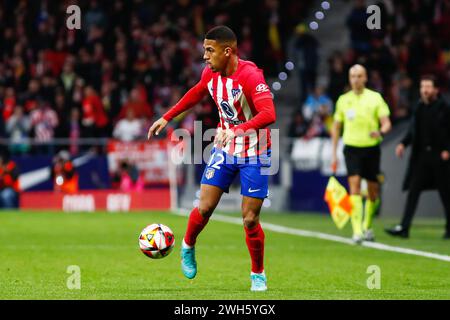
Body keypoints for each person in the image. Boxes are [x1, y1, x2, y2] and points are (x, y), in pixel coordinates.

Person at [147, 26, 276, 291]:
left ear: (227, 51)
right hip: (225, 149)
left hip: (256, 150)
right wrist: (167, 116)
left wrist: (237, 130)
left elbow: (269, 114)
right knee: (204, 207)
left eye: (210, 50)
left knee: (250, 219)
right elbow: (195, 93)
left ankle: (258, 274)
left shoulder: (251, 76)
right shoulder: (210, 74)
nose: (205, 56)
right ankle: (187, 245)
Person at [331, 64, 392, 243]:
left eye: (359, 76)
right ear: (349, 79)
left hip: (371, 148)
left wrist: (381, 132)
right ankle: (357, 230)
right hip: (351, 148)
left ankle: (367, 225)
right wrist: (333, 153)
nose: (356, 79)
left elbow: (386, 123)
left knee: (373, 191)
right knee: (355, 185)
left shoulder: (375, 98)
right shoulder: (343, 100)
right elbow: (336, 127)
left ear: (365, 78)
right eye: (352, 76)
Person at [385, 75, 450, 239]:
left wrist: (447, 150)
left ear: (435, 89)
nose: (425, 90)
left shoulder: (444, 108)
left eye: (428, 87)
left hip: (439, 157)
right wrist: (403, 144)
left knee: (446, 194)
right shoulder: (419, 107)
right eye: (422, 87)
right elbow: (413, 130)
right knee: (413, 191)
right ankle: (404, 227)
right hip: (421, 157)